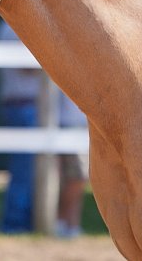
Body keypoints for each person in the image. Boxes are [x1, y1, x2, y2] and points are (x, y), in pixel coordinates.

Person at [0, 19, 39, 234]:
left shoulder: (12, 28)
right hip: (23, 105)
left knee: (29, 169)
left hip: (26, 105)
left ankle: (23, 220)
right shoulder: (14, 29)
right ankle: (14, 222)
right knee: (24, 169)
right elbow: (27, 67)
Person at [55, 92, 89, 238]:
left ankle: (72, 224)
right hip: (68, 124)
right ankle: (62, 221)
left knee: (79, 179)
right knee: (77, 177)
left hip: (84, 126)